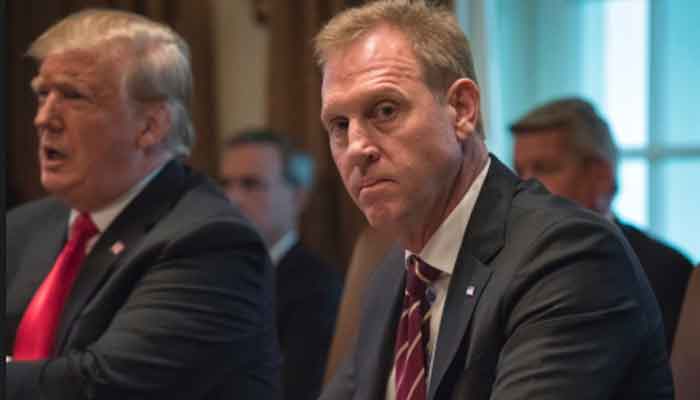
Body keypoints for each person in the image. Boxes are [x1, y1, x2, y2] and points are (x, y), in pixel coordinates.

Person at [315, 1, 673, 399]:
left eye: (385, 110)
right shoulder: (395, 276)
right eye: (339, 125)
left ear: (461, 109)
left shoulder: (568, 256)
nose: (357, 148)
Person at [5, 9, 280, 399]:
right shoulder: (23, 227)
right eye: (42, 94)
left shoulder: (210, 243)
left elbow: (99, 386)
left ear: (151, 126)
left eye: (73, 96)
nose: (44, 118)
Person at [510, 97, 694, 352]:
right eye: (519, 171)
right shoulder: (506, 267)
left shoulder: (667, 271)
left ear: (600, 176)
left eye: (544, 168)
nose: (524, 186)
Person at [219, 130, 342, 400]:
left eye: (250, 184)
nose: (233, 198)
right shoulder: (210, 275)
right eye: (226, 184)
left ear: (297, 196)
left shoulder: (318, 287)